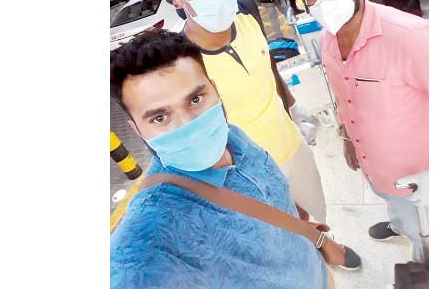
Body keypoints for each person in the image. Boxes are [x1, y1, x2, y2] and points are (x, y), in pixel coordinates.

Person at [165, 0, 361, 269]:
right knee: (289, 247)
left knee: (319, 213)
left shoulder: (245, 18)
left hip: (292, 148)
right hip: (252, 180)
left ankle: (325, 245)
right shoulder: (181, 66)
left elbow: (267, 64)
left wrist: (293, 106)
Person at [110, 30, 336, 288]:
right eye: (160, 118)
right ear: (137, 130)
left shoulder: (234, 137)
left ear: (215, 91)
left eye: (195, 99)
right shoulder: (150, 235)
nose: (189, 125)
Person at [299, 0, 429, 264]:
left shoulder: (409, 35)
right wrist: (348, 137)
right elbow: (343, 93)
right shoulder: (329, 39)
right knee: (405, 221)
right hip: (380, 171)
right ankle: (400, 226)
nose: (323, 1)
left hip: (422, 183)